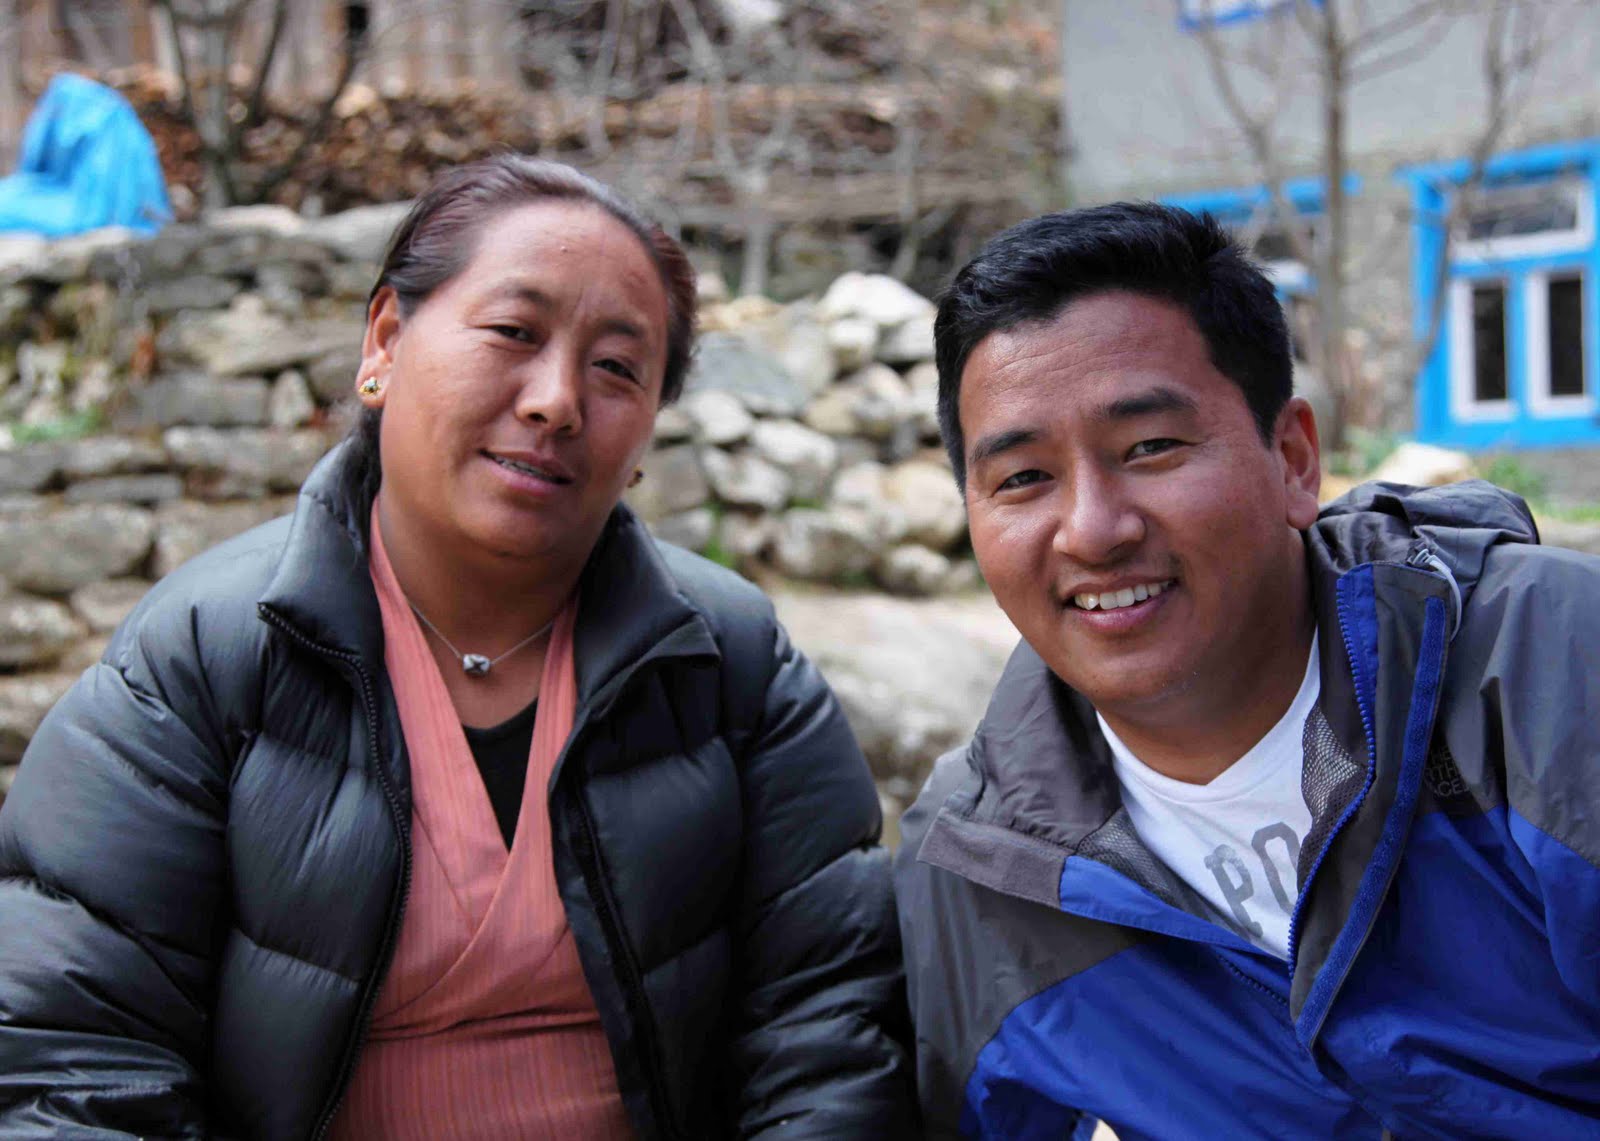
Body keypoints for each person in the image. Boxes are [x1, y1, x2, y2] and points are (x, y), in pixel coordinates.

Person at [0, 156, 914, 1139]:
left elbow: (831, 1028)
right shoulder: (202, 660)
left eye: (617, 367)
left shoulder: (731, 663)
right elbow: (71, 1054)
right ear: (386, 341)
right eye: (514, 332)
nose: (556, 400)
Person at [894, 202, 1600, 1138]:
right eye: (1023, 477)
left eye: (1150, 447)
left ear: (1294, 459)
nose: (1093, 530)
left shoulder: (1540, 663)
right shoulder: (980, 859)